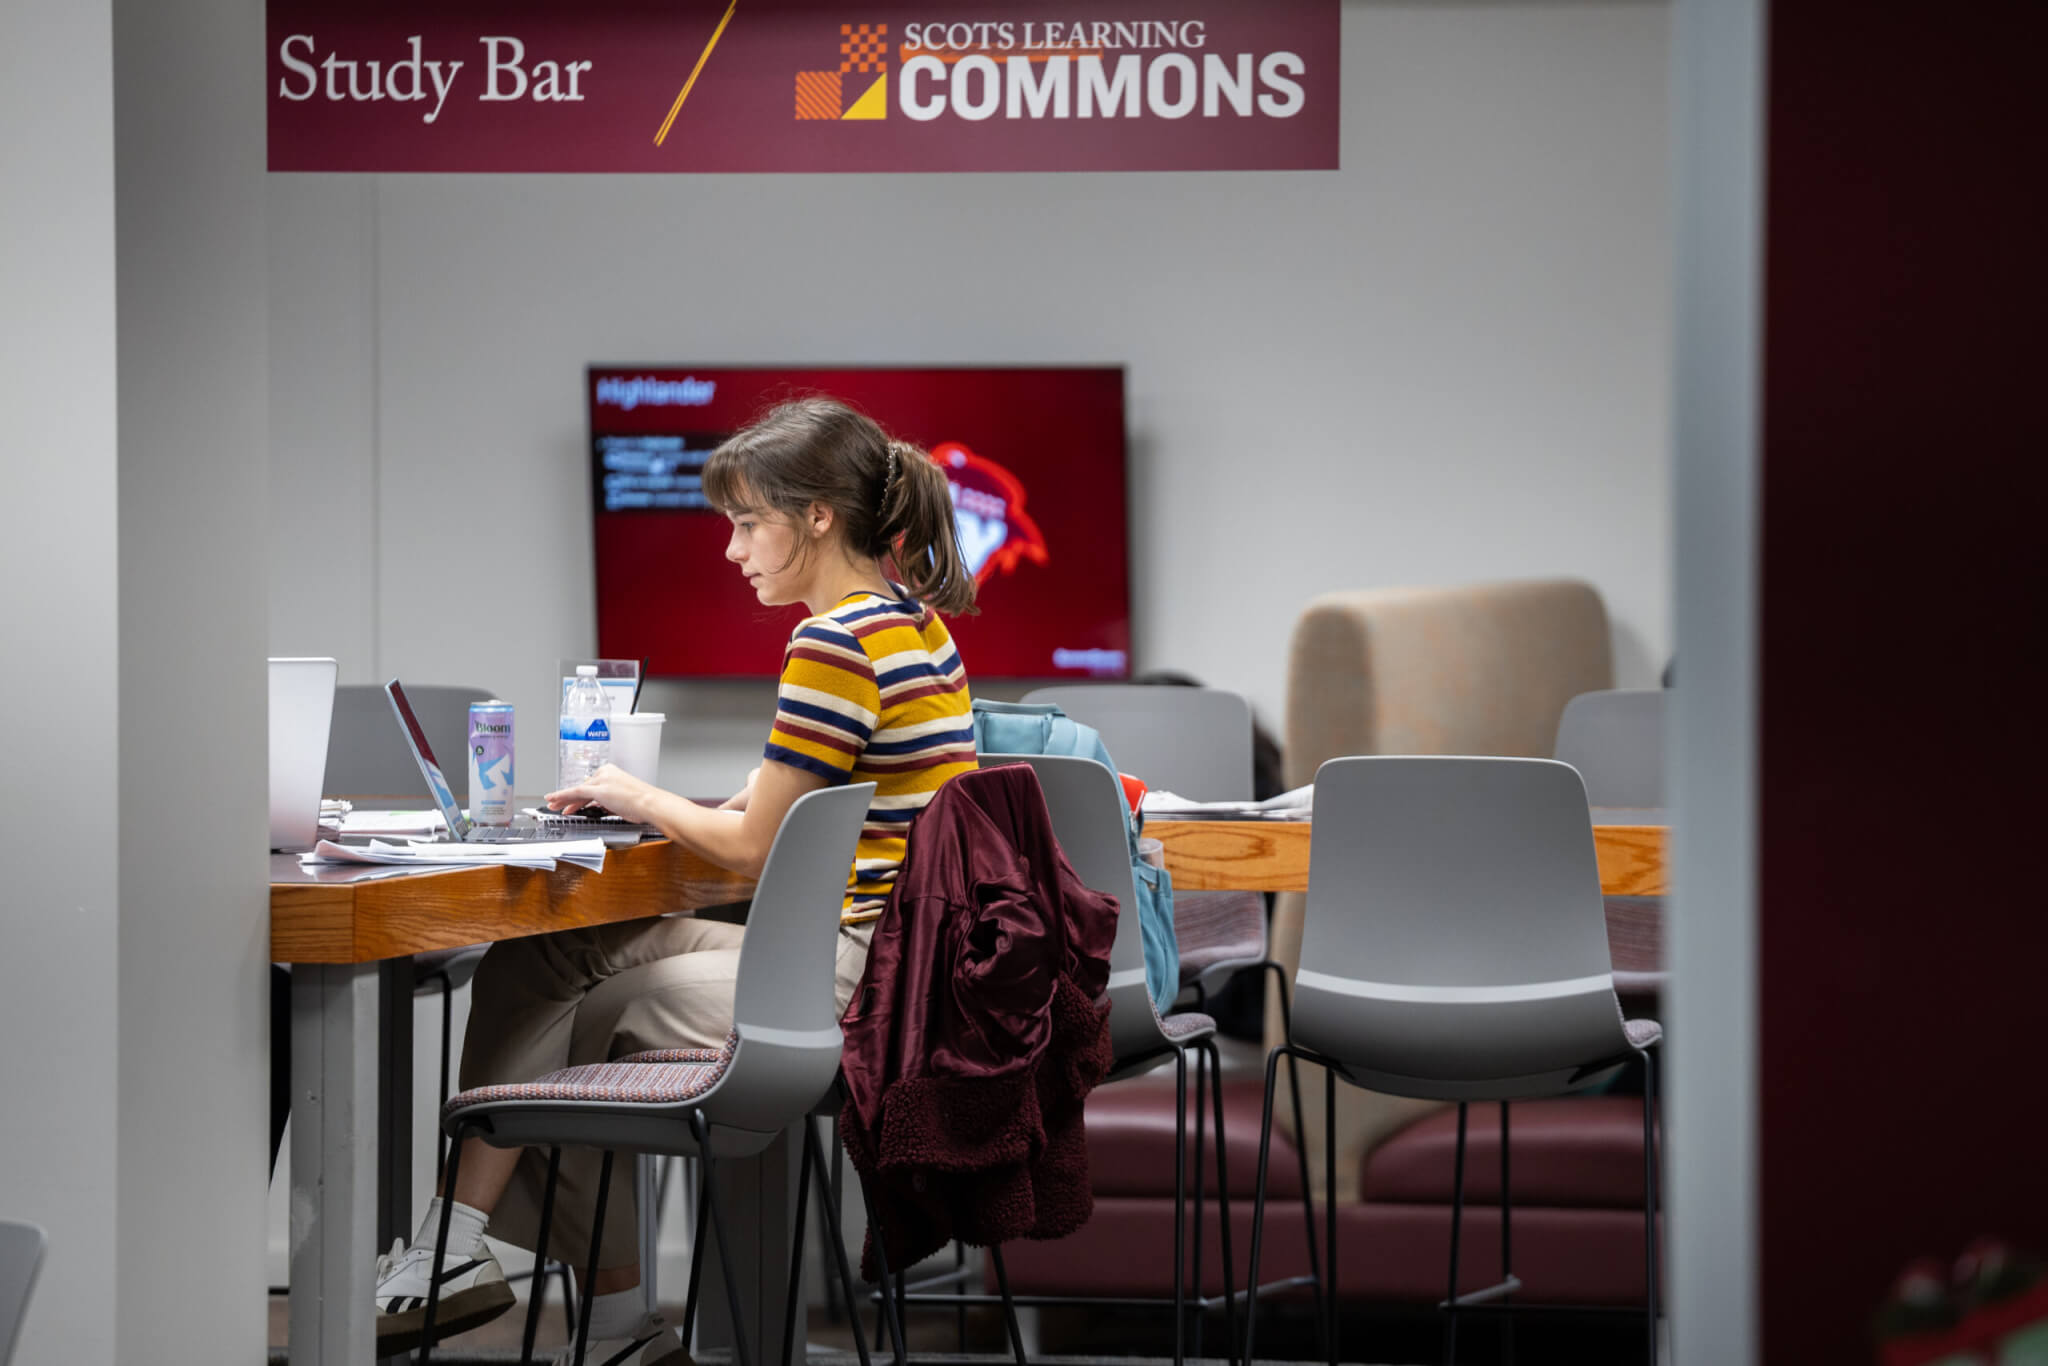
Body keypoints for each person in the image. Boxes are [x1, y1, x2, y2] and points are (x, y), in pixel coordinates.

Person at [372, 397, 980, 1365]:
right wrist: (707, 801)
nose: (733, 551)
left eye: (747, 523)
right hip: (892, 957)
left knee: (581, 1018)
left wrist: (635, 794)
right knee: (546, 952)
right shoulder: (914, 625)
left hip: (857, 976)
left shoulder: (832, 643)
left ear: (818, 515)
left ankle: (568, 1301)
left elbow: (753, 849)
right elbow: (829, 800)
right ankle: (472, 1251)